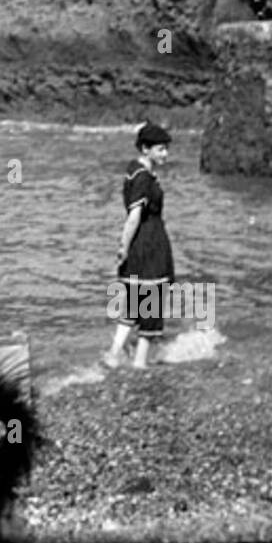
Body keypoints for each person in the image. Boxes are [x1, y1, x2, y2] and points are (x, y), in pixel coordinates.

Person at [103, 122, 175, 370]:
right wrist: (123, 247)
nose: (165, 154)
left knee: (133, 303)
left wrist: (125, 248)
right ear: (145, 149)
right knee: (152, 303)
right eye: (160, 149)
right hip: (149, 246)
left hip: (139, 246)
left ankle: (113, 354)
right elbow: (134, 216)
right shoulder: (143, 178)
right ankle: (140, 362)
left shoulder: (132, 170)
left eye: (166, 149)